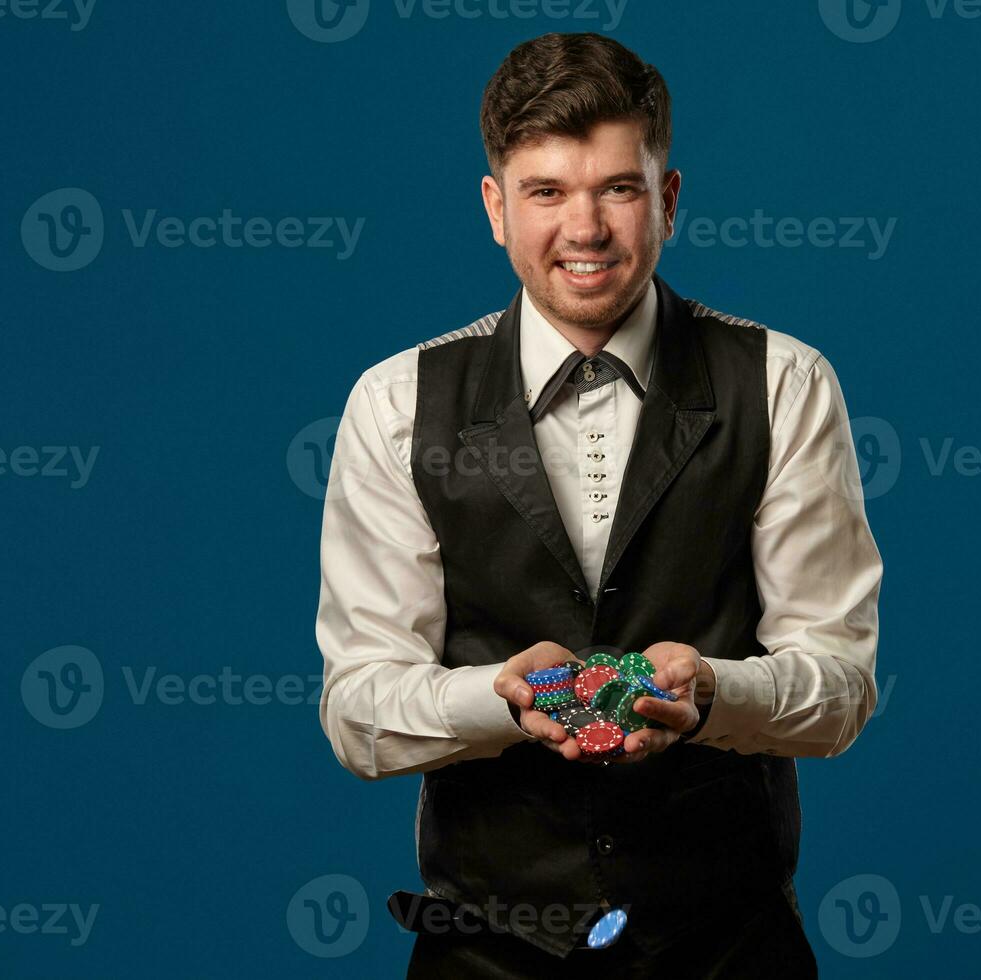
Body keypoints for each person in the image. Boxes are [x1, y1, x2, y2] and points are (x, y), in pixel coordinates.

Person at [315, 31, 883, 979]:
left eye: (617, 188)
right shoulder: (395, 404)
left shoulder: (783, 384)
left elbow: (838, 691)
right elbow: (358, 710)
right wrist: (496, 700)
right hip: (483, 954)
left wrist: (710, 691)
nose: (584, 229)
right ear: (496, 208)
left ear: (666, 199)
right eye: (546, 192)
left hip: (726, 949)